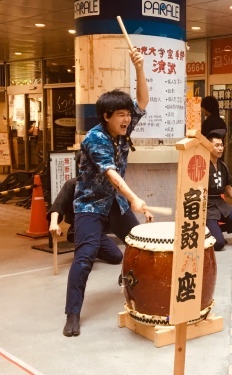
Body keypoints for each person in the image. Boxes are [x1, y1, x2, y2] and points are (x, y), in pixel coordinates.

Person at [63, 48, 151, 337]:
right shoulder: (96, 138)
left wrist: (139, 67)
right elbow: (112, 175)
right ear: (106, 116)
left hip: (114, 204)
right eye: (121, 115)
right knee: (85, 257)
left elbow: (143, 100)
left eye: (128, 114)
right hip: (89, 205)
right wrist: (134, 197)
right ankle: (73, 313)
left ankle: (130, 283)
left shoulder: (122, 131)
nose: (127, 119)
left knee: (137, 245)